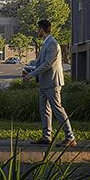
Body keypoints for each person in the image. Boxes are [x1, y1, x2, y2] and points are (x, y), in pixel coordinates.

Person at [22, 19, 76, 147]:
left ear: (41, 29)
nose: (37, 31)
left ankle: (70, 137)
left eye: (38, 29)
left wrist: (31, 75)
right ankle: (46, 136)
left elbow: (48, 63)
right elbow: (41, 62)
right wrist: (29, 71)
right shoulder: (46, 43)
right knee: (44, 109)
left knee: (57, 109)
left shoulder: (52, 43)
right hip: (44, 82)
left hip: (52, 82)